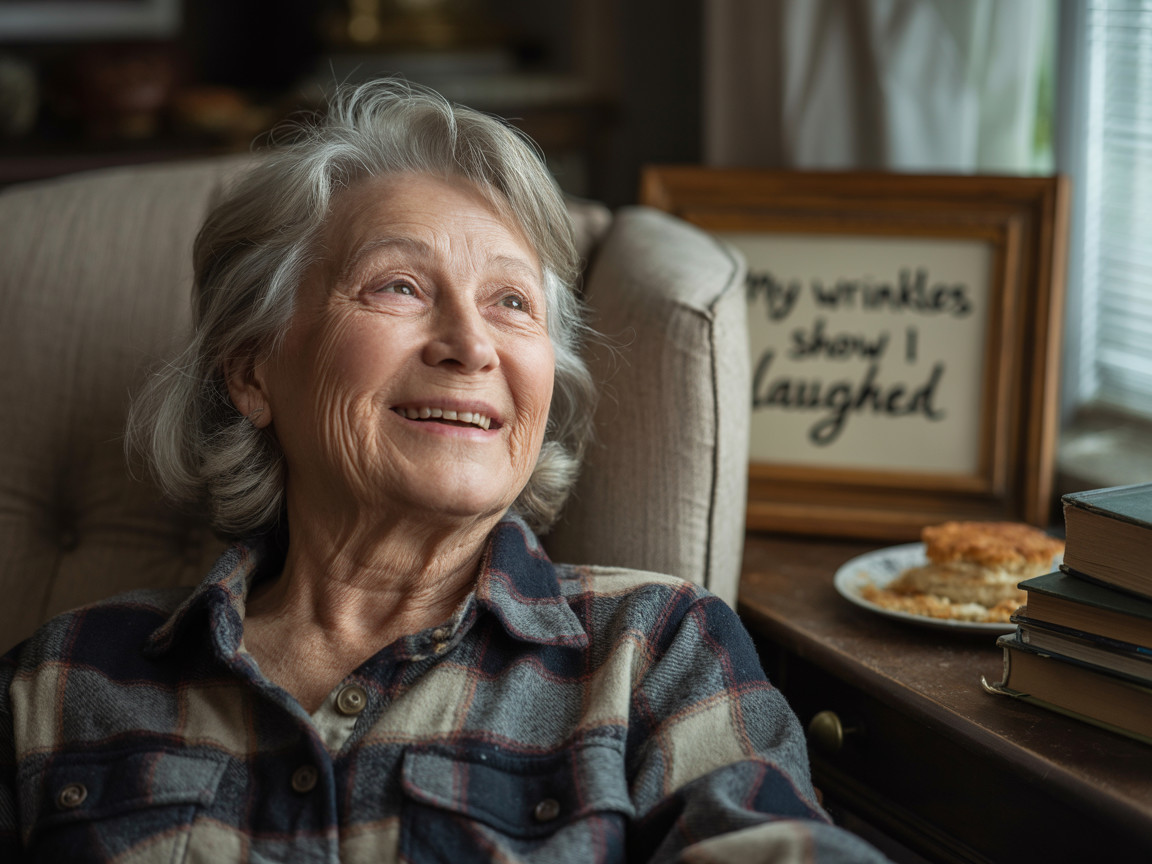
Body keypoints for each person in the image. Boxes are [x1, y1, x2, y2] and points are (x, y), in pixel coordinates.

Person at [0, 80, 888, 863]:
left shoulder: (653, 653)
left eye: (512, 303)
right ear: (252, 370)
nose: (471, 346)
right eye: (399, 286)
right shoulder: (64, 684)